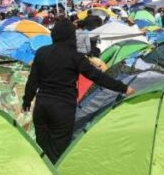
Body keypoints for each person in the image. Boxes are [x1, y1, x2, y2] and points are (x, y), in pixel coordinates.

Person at [23, 17, 133, 163]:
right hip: (62, 109)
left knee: (42, 150)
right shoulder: (75, 57)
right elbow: (98, 77)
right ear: (71, 36)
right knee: (58, 154)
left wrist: (27, 101)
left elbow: (32, 81)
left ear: (54, 34)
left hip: (41, 107)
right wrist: (123, 88)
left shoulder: (41, 53)